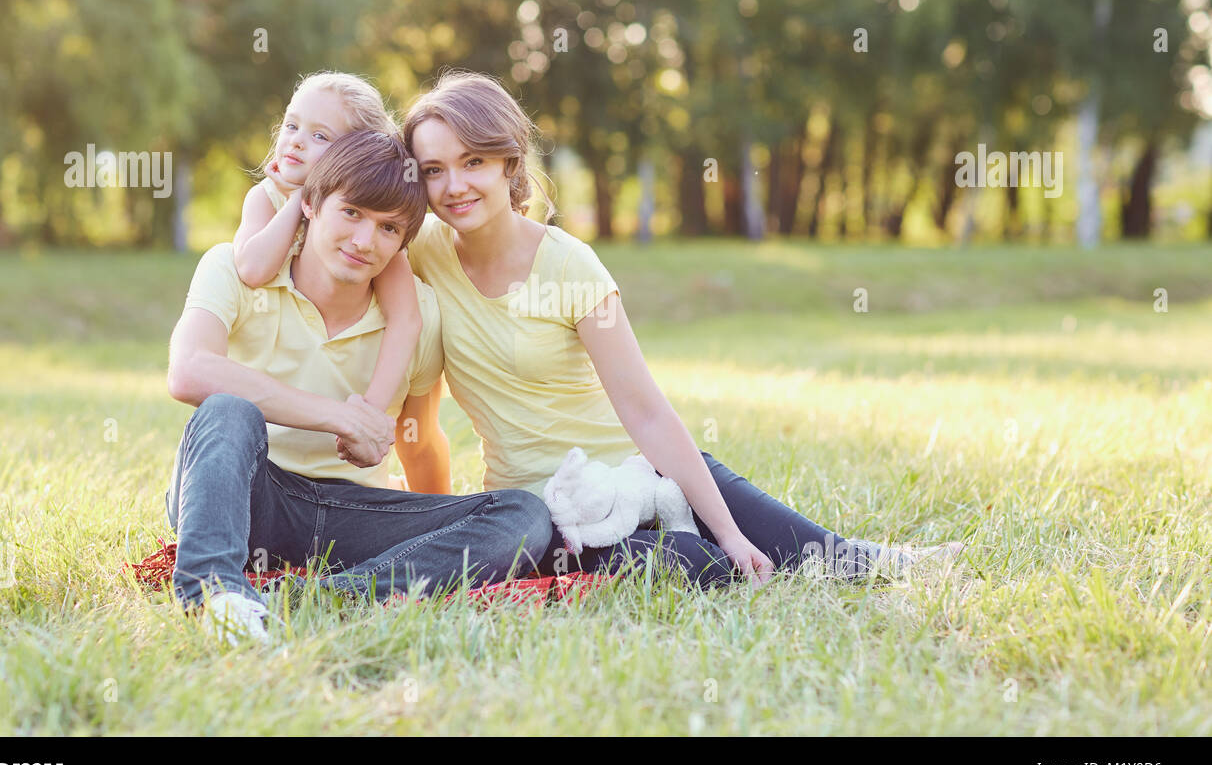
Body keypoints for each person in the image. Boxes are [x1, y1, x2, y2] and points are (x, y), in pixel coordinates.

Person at [398, 71, 962, 588]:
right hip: (542, 513)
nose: (454, 186)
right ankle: (704, 551)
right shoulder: (422, 252)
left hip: (635, 472)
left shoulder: (570, 266)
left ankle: (879, 560)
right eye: (433, 170)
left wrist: (734, 530)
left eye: (473, 162)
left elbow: (645, 411)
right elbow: (337, 227)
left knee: (814, 551)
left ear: (509, 163)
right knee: (690, 567)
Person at [164, 127, 554, 645]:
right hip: (250, 494)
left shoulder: (418, 315)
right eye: (351, 213)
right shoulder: (233, 269)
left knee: (522, 516)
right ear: (311, 204)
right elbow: (189, 370)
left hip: (353, 513)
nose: (364, 242)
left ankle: (321, 597)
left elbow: (418, 436)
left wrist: (438, 529)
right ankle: (215, 596)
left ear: (403, 242)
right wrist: (340, 416)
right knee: (228, 411)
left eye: (389, 228)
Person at [233, 71, 423, 415]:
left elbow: (406, 321)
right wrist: (301, 198)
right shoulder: (265, 198)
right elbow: (253, 268)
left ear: (358, 152)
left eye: (319, 135)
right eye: (291, 126)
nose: (297, 141)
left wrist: (370, 410)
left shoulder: (374, 233)